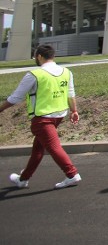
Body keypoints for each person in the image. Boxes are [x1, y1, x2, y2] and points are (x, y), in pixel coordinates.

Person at [0, 44, 82, 190]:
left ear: (39, 56)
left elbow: (15, 98)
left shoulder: (34, 75)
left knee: (53, 147)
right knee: (38, 148)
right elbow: (71, 94)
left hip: (42, 118)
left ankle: (72, 174)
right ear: (53, 56)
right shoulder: (66, 72)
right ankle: (23, 179)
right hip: (59, 115)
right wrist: (74, 111)